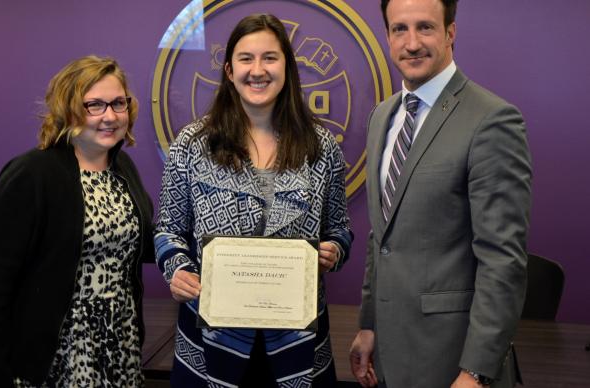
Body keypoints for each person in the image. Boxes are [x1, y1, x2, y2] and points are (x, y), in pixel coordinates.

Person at [154, 13, 353, 388]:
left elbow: (340, 228)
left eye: (269, 58)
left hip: (298, 347)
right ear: (229, 70)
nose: (257, 70)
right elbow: (168, 228)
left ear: (287, 68)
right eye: (246, 59)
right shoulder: (192, 144)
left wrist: (333, 250)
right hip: (211, 345)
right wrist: (177, 270)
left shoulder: (321, 145)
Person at [349, 0, 531, 387]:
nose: (411, 43)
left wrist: (477, 370)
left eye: (425, 28)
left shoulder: (492, 119)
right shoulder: (382, 116)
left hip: (453, 361)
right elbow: (382, 239)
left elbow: (502, 261)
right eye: (400, 29)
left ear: (450, 32)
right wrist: (368, 326)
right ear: (387, 36)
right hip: (391, 353)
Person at [0, 55, 155, 387]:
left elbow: (141, 247)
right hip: (52, 355)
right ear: (69, 111)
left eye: (118, 103)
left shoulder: (123, 169)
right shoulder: (32, 174)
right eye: (94, 105)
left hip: (118, 347)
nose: (109, 116)